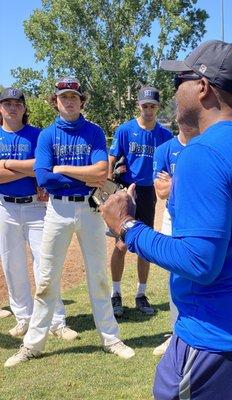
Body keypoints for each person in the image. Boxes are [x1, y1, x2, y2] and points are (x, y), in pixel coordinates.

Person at [100, 40, 232, 400]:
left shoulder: (201, 154)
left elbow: (199, 261)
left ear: (203, 87)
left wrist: (127, 227)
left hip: (220, 340)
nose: (175, 93)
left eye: (180, 82)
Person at [4, 77, 134, 367]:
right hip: (57, 211)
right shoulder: (49, 135)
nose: (69, 101)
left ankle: (111, 338)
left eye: (74, 96)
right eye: (64, 97)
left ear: (81, 101)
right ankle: (32, 345)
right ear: (56, 101)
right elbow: (43, 177)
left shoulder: (94, 132)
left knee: (98, 277)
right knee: (46, 279)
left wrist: (62, 168)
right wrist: (81, 174)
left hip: (89, 210)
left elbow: (101, 172)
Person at [0, 87, 74, 340]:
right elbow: (33, 168)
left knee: (46, 264)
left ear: (24, 108)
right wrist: (29, 169)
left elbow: (42, 167)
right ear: (0, 108)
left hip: (36, 206)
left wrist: (7, 165)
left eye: (17, 103)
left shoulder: (37, 135)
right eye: (7, 103)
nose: (12, 108)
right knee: (13, 265)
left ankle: (57, 320)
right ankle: (24, 318)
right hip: (5, 207)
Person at [108, 86, 173, 317]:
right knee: (121, 244)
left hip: (149, 192)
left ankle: (140, 294)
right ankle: (115, 294)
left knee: (143, 245)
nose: (148, 110)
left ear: (158, 107)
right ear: (139, 105)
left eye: (152, 106)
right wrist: (109, 183)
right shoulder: (126, 129)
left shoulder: (165, 136)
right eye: (145, 105)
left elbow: (171, 162)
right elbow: (112, 157)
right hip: (128, 189)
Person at [152, 123, 198, 356]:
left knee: (203, 271)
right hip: (173, 218)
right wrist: (189, 183)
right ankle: (176, 333)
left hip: (200, 216)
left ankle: (197, 330)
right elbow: (161, 192)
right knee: (176, 275)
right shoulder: (164, 149)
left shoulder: (204, 145)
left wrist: (175, 182)